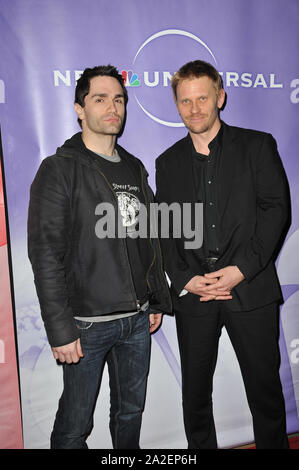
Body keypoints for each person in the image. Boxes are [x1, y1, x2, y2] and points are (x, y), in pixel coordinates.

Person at [28, 65, 171, 449]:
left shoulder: (134, 167)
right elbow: (45, 255)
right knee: (74, 427)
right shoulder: (59, 169)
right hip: (86, 325)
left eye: (119, 99)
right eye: (100, 99)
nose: (113, 108)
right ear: (79, 108)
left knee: (130, 414)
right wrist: (60, 329)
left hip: (137, 320)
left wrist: (154, 297)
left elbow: (148, 239)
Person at [155, 60, 290, 449]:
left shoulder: (257, 145)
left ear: (220, 98)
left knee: (264, 394)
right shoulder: (168, 162)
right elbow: (165, 229)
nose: (194, 109)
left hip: (250, 290)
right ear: (176, 105)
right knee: (195, 399)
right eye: (185, 101)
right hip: (195, 296)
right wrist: (184, 279)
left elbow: (276, 210)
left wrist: (241, 269)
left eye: (202, 98)